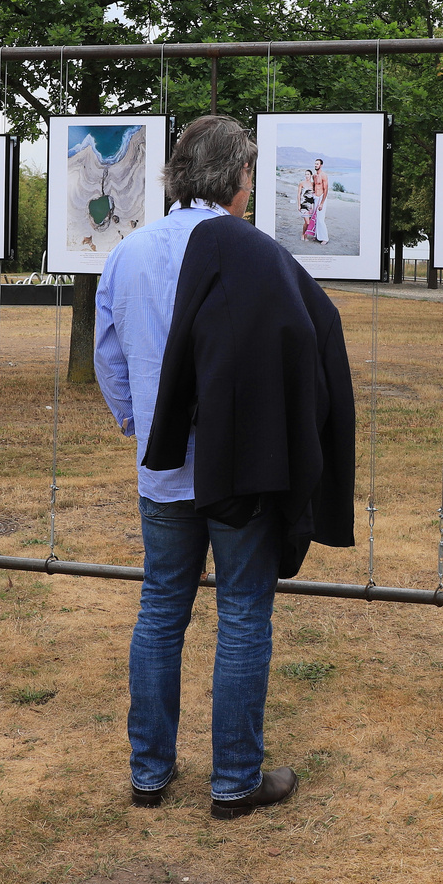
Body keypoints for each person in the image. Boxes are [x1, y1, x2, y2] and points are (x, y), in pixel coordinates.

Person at [95, 115, 355, 819]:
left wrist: (143, 427)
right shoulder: (256, 255)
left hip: (164, 471)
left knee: (159, 611)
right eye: (249, 174)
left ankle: (149, 773)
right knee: (242, 612)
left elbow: (110, 357)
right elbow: (295, 351)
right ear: (240, 179)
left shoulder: (128, 252)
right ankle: (234, 780)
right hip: (241, 470)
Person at [311, 157, 330, 244]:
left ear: (321, 165)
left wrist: (322, 203)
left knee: (321, 218)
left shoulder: (323, 175)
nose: (316, 165)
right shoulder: (314, 176)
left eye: (317, 164)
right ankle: (317, 235)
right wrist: (313, 194)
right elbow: (315, 186)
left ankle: (325, 238)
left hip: (322, 198)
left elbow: (326, 189)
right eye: (315, 163)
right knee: (315, 217)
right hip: (316, 198)